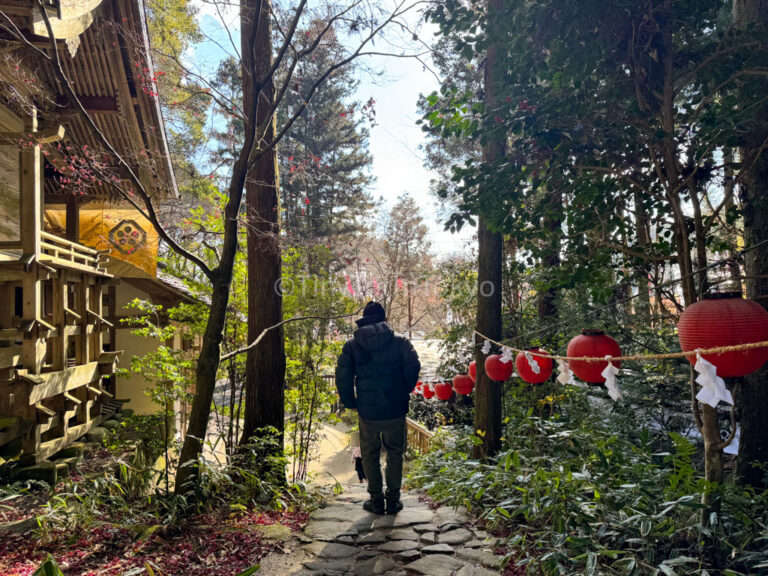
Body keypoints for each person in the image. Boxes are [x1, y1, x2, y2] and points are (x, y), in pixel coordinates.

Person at [335, 301, 420, 515]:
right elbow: (413, 366)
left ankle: (375, 499)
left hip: (368, 410)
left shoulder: (352, 345)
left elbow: (343, 375)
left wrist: (350, 402)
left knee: (369, 454)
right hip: (395, 408)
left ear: (365, 319)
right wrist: (404, 390)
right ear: (384, 319)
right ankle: (393, 500)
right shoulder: (400, 342)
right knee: (395, 453)